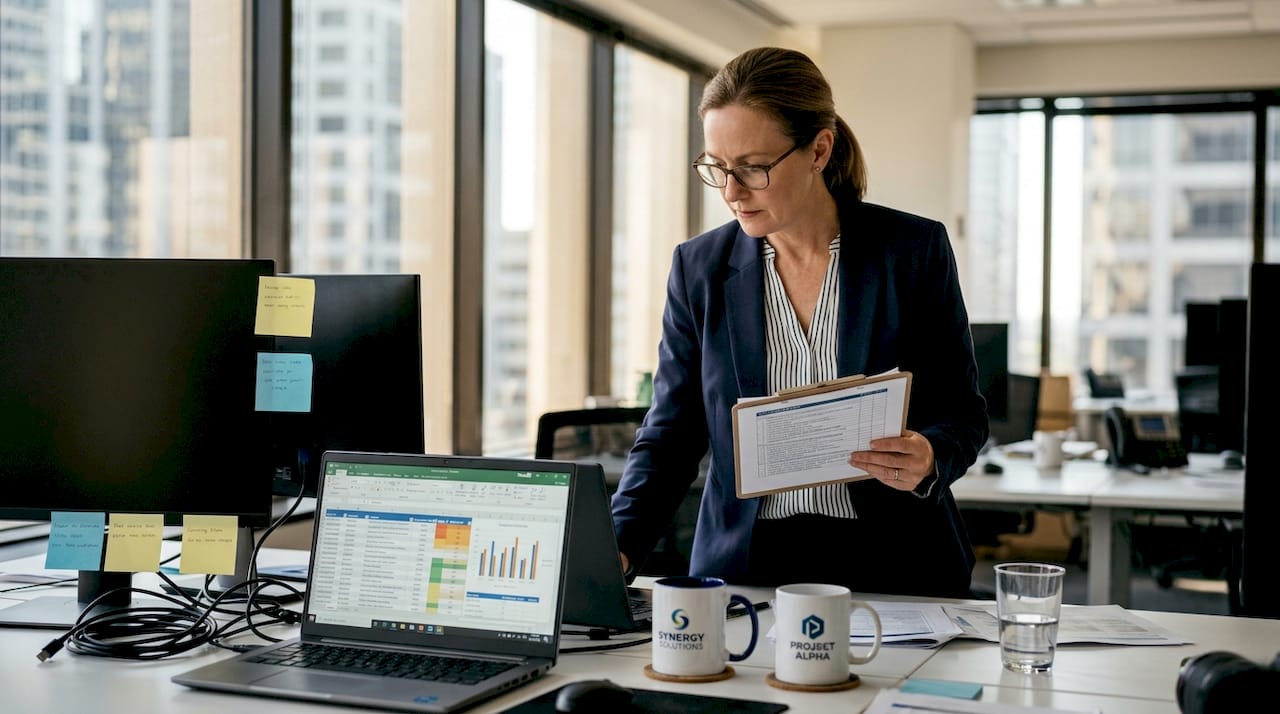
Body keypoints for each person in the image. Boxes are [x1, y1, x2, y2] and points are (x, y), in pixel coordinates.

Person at [610, 47, 988, 598]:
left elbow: (963, 411)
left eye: (754, 167)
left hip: (896, 561)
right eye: (717, 167)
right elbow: (671, 434)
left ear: (819, 149)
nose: (732, 192)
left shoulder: (909, 251)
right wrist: (616, 546)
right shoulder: (699, 268)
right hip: (746, 565)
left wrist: (931, 453)